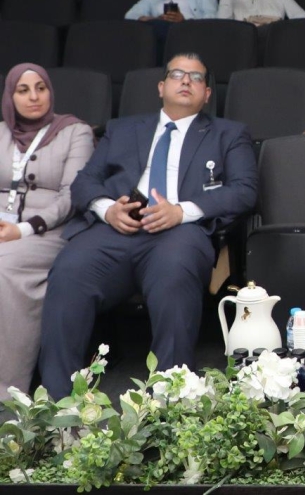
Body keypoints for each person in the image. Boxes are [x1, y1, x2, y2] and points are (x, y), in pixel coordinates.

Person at [38, 53, 258, 400]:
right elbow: (84, 183)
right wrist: (108, 210)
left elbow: (244, 191)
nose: (185, 81)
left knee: (174, 273)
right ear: (161, 87)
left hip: (179, 233)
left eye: (196, 77)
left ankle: (170, 400)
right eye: (177, 74)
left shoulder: (228, 134)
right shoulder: (122, 129)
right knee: (69, 271)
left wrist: (181, 212)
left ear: (206, 94)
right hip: (114, 230)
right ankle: (56, 403)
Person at [0, 64, 94, 400]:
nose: (34, 97)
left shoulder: (75, 132)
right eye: (23, 90)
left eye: (40, 88)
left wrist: (24, 228)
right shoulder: (0, 132)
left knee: (4, 266)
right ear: (10, 96)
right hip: (3, 229)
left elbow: (72, 195)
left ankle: (7, 389)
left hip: (48, 232)